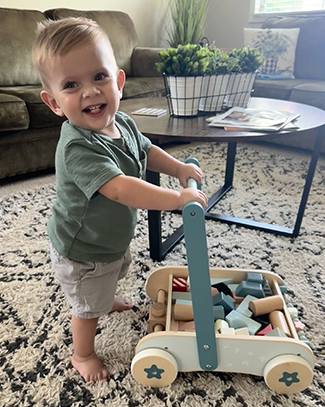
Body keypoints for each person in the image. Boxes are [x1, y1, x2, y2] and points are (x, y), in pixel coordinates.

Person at [32, 17, 207, 383]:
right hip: (82, 249)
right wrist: (177, 198)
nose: (90, 92)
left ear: (119, 82)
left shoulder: (123, 122)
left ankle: (105, 297)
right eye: (71, 85)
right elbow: (120, 188)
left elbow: (146, 151)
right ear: (54, 103)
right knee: (85, 307)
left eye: (99, 77)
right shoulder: (78, 147)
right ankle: (82, 354)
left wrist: (176, 167)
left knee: (115, 269)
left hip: (108, 238)